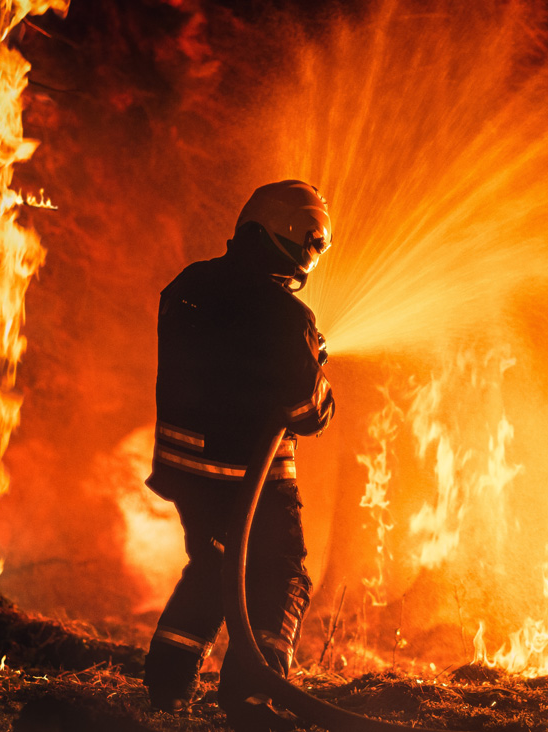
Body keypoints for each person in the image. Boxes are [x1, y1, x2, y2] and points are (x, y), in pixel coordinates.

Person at [144, 180, 336, 731]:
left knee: (213, 570)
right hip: (252, 482)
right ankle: (255, 693)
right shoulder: (287, 317)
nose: (312, 254)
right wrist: (316, 368)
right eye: (313, 243)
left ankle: (166, 682)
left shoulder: (187, 286)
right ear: (293, 237)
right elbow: (308, 412)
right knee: (283, 577)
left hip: (186, 474)